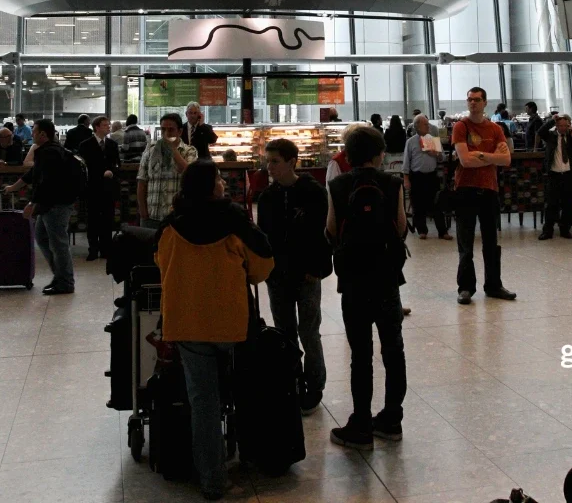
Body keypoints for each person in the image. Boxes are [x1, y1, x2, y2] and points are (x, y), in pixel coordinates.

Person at [157, 160, 274, 500]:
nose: (223, 183)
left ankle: (212, 480)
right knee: (243, 392)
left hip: (186, 324)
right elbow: (262, 266)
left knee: (203, 402)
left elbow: (160, 262)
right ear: (211, 186)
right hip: (231, 325)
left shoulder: (171, 224)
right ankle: (254, 455)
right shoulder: (234, 220)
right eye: (219, 178)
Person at [327, 125, 408, 449]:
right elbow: (401, 227)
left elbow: (331, 231)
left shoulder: (337, 185)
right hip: (387, 280)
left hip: (353, 283)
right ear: (380, 154)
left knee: (360, 355)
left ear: (348, 155)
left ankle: (360, 424)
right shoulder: (392, 182)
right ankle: (391, 419)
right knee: (393, 351)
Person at [257, 137, 331, 415]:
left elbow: (324, 235)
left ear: (291, 162)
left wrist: (319, 269)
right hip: (277, 276)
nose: (270, 167)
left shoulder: (313, 193)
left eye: (275, 161)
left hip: (307, 274)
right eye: (268, 161)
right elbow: (264, 237)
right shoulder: (267, 198)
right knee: (284, 331)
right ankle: (291, 381)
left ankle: (314, 383)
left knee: (309, 331)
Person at [452, 87, 516, 304]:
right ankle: (465, 288)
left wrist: (480, 154)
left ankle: (494, 285)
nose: (473, 103)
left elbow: (506, 160)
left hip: (489, 190)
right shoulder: (460, 127)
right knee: (465, 243)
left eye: (477, 100)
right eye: (470, 99)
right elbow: (465, 161)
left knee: (491, 241)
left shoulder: (496, 129)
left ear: (485, 102)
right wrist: (492, 157)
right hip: (465, 190)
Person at [4, 119, 79, 295]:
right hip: (52, 204)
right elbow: (33, 174)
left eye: (35, 131)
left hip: (55, 205)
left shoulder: (50, 153)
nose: (32, 134)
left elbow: (46, 183)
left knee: (58, 243)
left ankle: (65, 281)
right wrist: (14, 187)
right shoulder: (48, 151)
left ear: (43, 134)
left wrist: (32, 203)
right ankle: (60, 277)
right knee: (44, 238)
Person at [136, 112, 197, 228]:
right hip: (152, 216)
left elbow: (189, 175)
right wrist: (143, 212)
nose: (166, 133)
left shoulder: (190, 151)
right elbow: (142, 182)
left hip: (177, 217)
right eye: (163, 129)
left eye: (171, 130)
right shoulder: (150, 150)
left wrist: (172, 149)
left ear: (179, 131)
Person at [78, 115, 121, 261]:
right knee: (93, 219)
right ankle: (93, 249)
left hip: (108, 187)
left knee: (108, 219)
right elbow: (84, 167)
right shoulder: (85, 145)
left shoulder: (112, 145)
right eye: (105, 125)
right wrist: (100, 172)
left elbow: (117, 164)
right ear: (96, 127)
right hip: (93, 187)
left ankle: (106, 249)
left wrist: (112, 172)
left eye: (108, 125)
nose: (108, 127)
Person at [402, 114, 449, 240]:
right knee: (418, 205)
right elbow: (406, 161)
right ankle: (422, 230)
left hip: (431, 175)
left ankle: (442, 231)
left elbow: (443, 157)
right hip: (417, 176)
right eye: (425, 124)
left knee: (436, 203)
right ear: (417, 126)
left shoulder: (432, 139)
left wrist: (435, 153)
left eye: (428, 124)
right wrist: (406, 179)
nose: (428, 126)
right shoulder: (411, 142)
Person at [538, 114, 572, 240]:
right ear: (556, 126)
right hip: (554, 174)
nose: (563, 128)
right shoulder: (551, 136)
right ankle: (548, 230)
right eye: (560, 125)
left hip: (569, 174)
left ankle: (565, 229)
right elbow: (540, 131)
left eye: (565, 126)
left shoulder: (571, 137)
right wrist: (551, 121)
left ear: (569, 125)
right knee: (551, 204)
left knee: (568, 203)